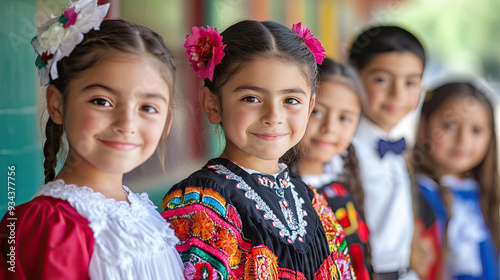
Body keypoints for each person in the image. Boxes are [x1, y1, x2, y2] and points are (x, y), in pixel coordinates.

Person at [0, 0, 184, 279]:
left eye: (148, 108)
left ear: (166, 123)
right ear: (58, 104)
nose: (126, 123)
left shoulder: (145, 213)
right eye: (102, 101)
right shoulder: (53, 225)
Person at [161, 21, 355, 279]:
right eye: (251, 98)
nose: (273, 116)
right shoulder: (201, 204)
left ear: (309, 108)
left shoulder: (313, 202)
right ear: (212, 104)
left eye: (291, 101)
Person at [330, 25, 428, 280]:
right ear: (354, 77)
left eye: (410, 82)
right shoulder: (337, 149)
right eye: (381, 79)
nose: (397, 94)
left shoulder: (399, 150)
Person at [284, 57, 371, 279]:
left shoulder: (342, 192)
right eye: (317, 112)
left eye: (344, 118)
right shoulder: (280, 192)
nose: (330, 128)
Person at [412, 81, 500, 280]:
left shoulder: (485, 195)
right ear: (424, 125)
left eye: (476, 130)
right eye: (449, 126)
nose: (463, 140)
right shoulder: (416, 192)